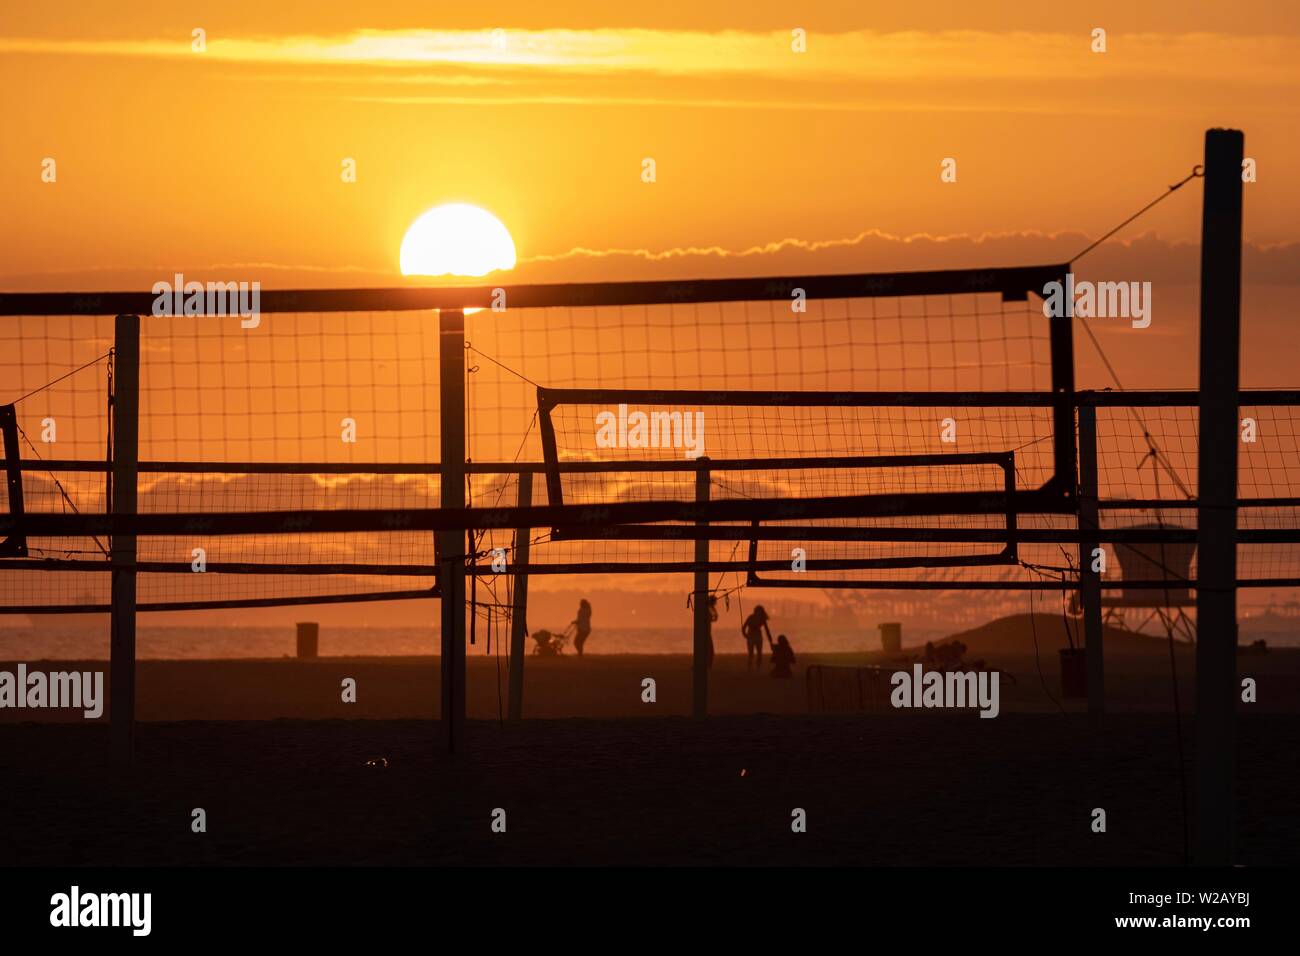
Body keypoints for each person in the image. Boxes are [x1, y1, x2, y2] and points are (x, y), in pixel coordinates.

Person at [741, 605, 772, 671]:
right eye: (758, 611)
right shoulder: (751, 617)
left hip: (758, 636)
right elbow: (744, 627)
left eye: (759, 611)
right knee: (751, 653)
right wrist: (745, 635)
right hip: (751, 636)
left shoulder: (762, 619)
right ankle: (750, 667)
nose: (758, 613)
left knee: (759, 653)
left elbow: (767, 630)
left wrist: (770, 639)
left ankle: (758, 668)